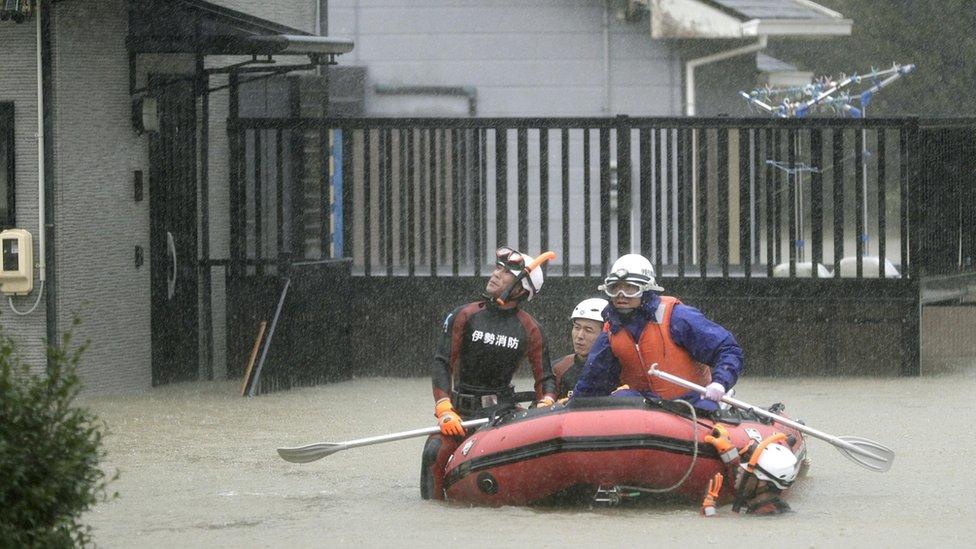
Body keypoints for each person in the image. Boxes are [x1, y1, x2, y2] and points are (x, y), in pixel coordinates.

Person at [420, 246, 556, 500]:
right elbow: (442, 363)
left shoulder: (531, 329)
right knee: (433, 452)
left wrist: (545, 402)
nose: (495, 274)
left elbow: (545, 379)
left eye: (506, 272)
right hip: (460, 413)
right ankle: (432, 513)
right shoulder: (465, 315)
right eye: (497, 268)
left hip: (502, 415)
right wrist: (444, 409)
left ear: (521, 288)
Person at [572, 253, 743, 411]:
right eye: (615, 288)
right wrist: (573, 408)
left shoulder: (677, 317)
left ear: (646, 289)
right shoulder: (611, 330)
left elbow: (727, 349)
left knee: (706, 409)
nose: (621, 295)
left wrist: (720, 383)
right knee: (621, 399)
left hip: (692, 401)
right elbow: (593, 381)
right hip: (648, 406)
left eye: (630, 288)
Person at [700, 425, 799, 516]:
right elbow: (747, 479)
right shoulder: (764, 502)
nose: (740, 469)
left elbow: (728, 528)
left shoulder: (764, 514)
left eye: (746, 469)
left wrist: (709, 508)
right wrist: (728, 453)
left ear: (762, 483)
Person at [552, 298, 609, 399]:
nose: (580, 336)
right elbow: (540, 408)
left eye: (588, 330)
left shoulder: (620, 369)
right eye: (577, 328)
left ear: (605, 334)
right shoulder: (559, 368)